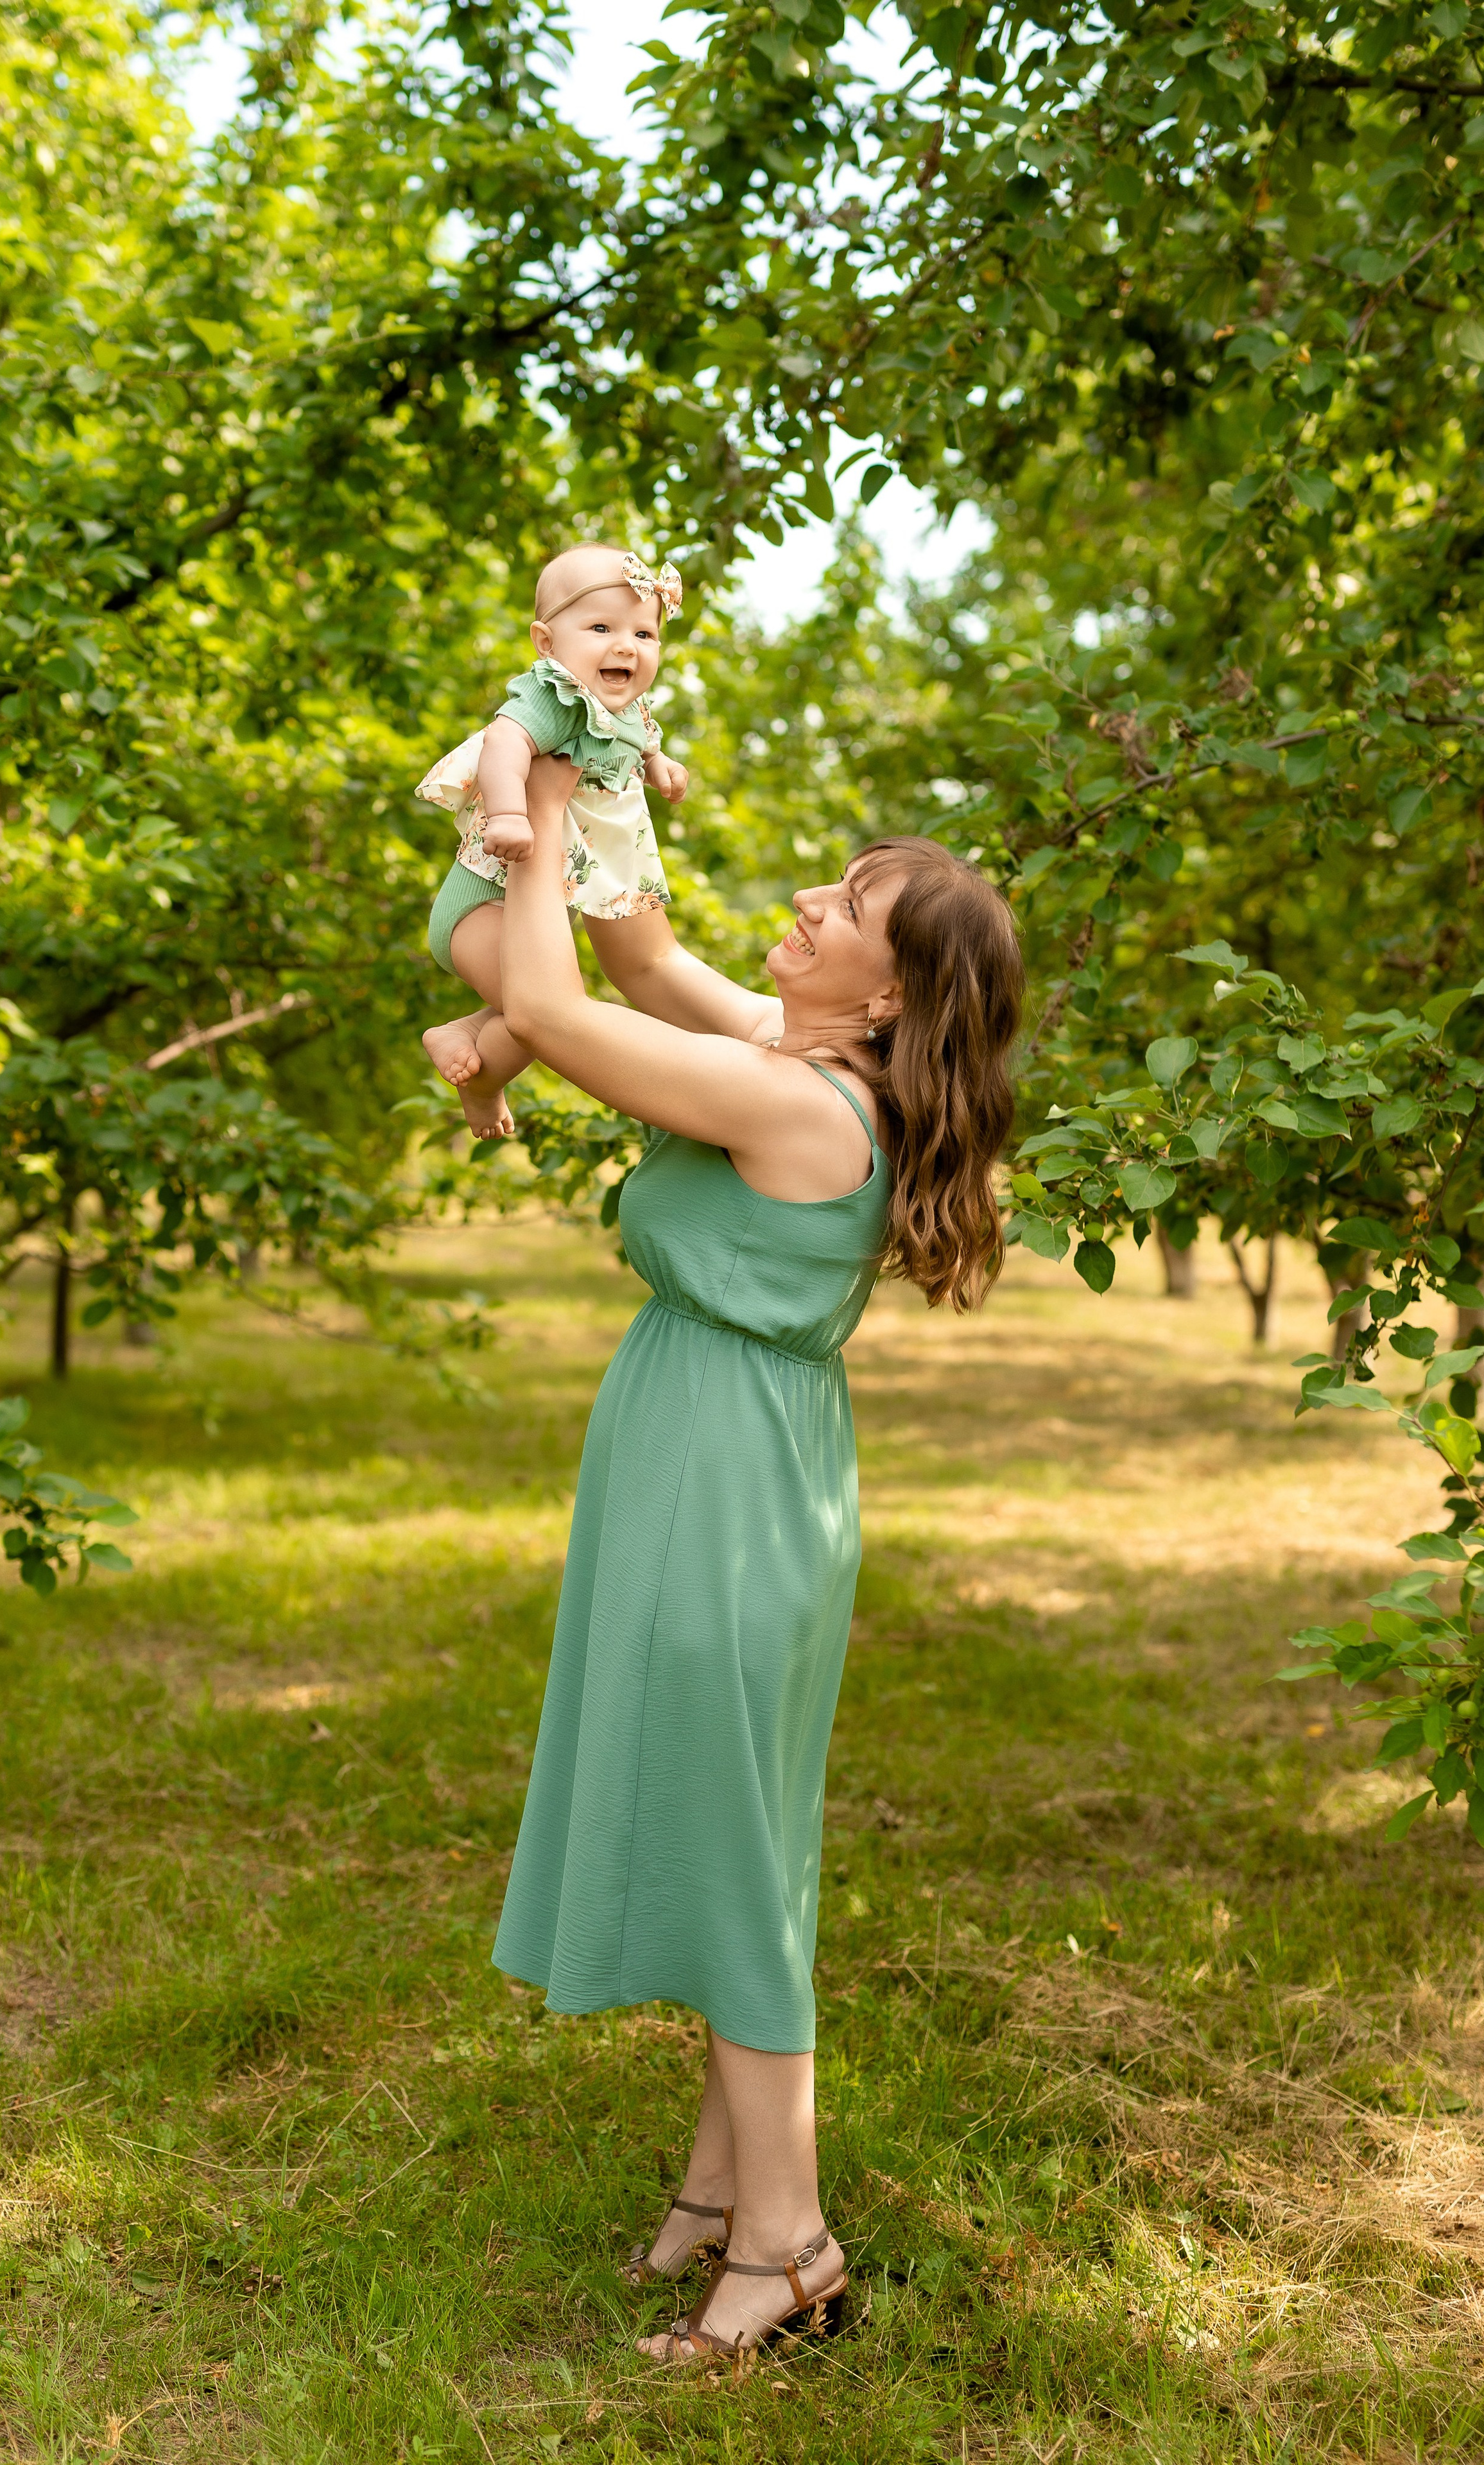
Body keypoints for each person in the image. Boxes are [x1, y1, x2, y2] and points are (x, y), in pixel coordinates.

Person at [490, 755, 1024, 2365]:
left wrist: (512, 808)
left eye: (845, 909)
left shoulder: (796, 1099)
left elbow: (554, 998)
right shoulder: (795, 1056)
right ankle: (728, 2184)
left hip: (723, 1484)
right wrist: (582, 767)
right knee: (743, 1829)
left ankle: (788, 2244)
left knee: (730, 1855)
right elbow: (640, 954)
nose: (804, 902)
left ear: (892, 997)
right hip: (733, 1456)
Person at [418, 544, 690, 1138]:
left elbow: (638, 740)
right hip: (480, 906)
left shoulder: (623, 706)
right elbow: (504, 745)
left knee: (542, 1008)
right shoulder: (555, 697)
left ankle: (465, 1032)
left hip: (522, 911)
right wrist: (511, 814)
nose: (627, 646)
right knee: (542, 1017)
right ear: (547, 643)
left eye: (645, 634)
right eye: (601, 627)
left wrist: (660, 765)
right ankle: (484, 1087)